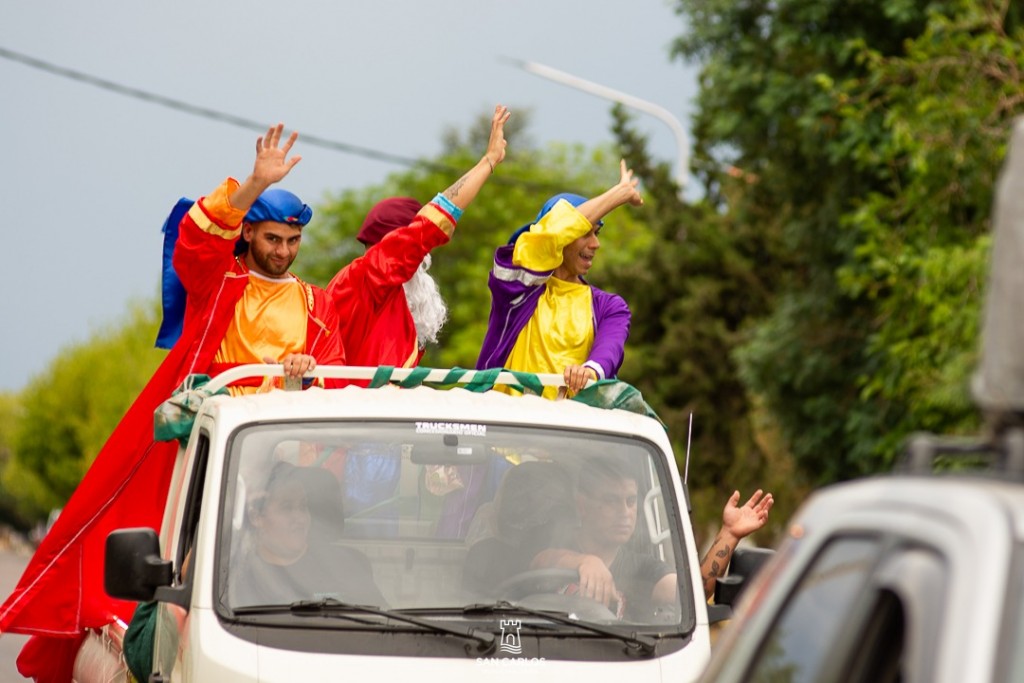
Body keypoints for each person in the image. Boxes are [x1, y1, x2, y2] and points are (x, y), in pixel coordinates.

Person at [1, 124, 346, 681]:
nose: (283, 252)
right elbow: (195, 243)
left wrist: (307, 376)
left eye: (292, 242)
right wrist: (253, 182)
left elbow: (335, 382)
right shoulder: (220, 281)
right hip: (212, 451)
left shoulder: (316, 303)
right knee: (187, 562)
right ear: (250, 236)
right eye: (272, 239)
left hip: (281, 463)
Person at [328, 104, 510, 369]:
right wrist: (488, 161)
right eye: (414, 245)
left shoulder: (396, 295)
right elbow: (431, 224)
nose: (422, 255)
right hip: (359, 408)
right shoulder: (366, 278)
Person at [475, 161, 643, 397]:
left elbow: (608, 353)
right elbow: (545, 239)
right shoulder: (518, 289)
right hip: (505, 427)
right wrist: (618, 194)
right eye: (585, 233)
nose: (596, 244)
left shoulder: (609, 307)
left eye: (597, 233)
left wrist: (588, 372)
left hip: (568, 430)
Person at [530, 456, 772, 620]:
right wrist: (585, 562)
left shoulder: (642, 568)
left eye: (630, 501)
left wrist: (729, 535)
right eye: (610, 501)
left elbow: (690, 594)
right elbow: (541, 561)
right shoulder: (551, 539)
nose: (625, 512)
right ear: (582, 504)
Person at [231, 462, 386, 608]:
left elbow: (381, 622)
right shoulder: (238, 573)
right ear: (256, 516)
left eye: (303, 506)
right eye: (286, 507)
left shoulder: (346, 565)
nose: (300, 518)